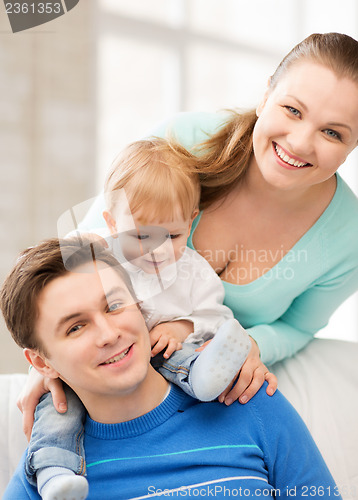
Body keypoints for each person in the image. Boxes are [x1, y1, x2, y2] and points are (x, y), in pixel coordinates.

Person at [78, 32, 358, 395]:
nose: (301, 142)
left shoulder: (348, 237)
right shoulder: (181, 141)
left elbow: (299, 327)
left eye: (333, 133)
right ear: (266, 95)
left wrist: (251, 346)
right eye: (292, 110)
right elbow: (81, 248)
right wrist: (53, 355)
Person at [17, 138, 266, 500]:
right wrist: (42, 368)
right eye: (140, 236)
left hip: (162, 360)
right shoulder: (92, 252)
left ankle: (202, 379)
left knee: (188, 350)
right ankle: (55, 471)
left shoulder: (193, 272)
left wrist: (181, 326)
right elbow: (52, 299)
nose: (158, 249)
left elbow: (215, 314)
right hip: (97, 370)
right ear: (110, 223)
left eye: (174, 235)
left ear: (192, 220)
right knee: (57, 405)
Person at [0, 238, 342, 499]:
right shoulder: (51, 472)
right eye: (76, 327)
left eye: (115, 305)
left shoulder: (247, 398)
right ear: (43, 364)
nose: (109, 334)